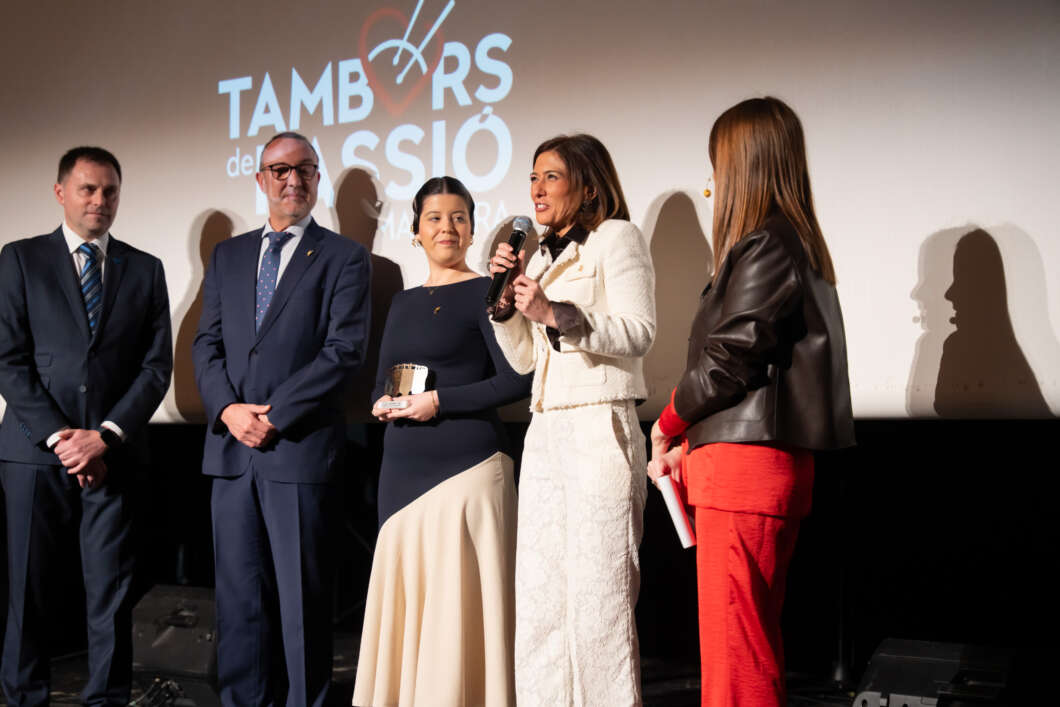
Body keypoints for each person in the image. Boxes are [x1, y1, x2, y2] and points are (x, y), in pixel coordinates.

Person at [647, 96, 856, 707]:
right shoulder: (788, 242)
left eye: (717, 162)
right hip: (747, 470)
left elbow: (729, 359)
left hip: (744, 478)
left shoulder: (767, 243)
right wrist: (691, 445)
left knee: (737, 661)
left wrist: (667, 424)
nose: (711, 180)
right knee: (745, 651)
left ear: (742, 163)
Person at [193, 131, 371, 706]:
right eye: (280, 170)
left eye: (306, 170)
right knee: (239, 604)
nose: (293, 180)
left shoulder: (344, 257)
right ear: (260, 178)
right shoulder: (229, 254)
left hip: (296, 448)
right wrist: (227, 409)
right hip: (231, 452)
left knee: (300, 605)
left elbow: (342, 351)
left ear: (317, 179)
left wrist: (273, 416)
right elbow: (207, 344)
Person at [0, 146, 173, 705]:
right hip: (33, 454)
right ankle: (25, 697)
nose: (100, 201)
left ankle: (106, 700)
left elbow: (155, 366)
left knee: (112, 595)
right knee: (28, 593)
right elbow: (9, 359)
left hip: (112, 455)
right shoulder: (20, 259)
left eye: (110, 191)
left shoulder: (145, 268)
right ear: (61, 193)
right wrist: (60, 436)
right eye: (88, 190)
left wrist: (104, 435)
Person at [488, 134, 655, 706]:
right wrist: (508, 312)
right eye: (532, 178)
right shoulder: (536, 256)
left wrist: (555, 311)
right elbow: (528, 360)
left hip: (599, 425)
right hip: (546, 430)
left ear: (587, 185)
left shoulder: (617, 239)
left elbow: (639, 331)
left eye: (551, 177)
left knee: (599, 598)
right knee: (538, 599)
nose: (536, 189)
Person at [352, 177, 531, 707]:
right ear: (415, 232)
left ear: (473, 228)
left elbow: (516, 380)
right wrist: (382, 404)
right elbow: (383, 380)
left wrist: (440, 402)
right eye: (434, 217)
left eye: (458, 217)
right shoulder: (404, 302)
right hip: (401, 472)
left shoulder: (488, 293)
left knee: (458, 616)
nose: (446, 227)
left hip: (467, 470)